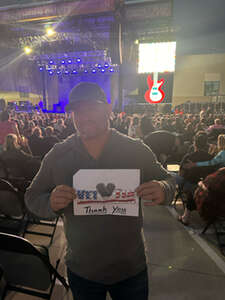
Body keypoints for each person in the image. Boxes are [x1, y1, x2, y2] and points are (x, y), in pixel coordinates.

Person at [25, 82, 175, 300]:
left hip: (130, 268)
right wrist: (50, 202)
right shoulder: (59, 155)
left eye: (91, 108)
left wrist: (164, 188)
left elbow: (169, 179)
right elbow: (32, 196)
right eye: (77, 111)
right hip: (83, 269)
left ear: (108, 109)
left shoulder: (134, 150)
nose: (83, 116)